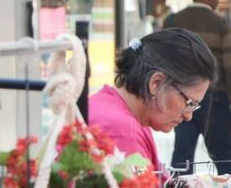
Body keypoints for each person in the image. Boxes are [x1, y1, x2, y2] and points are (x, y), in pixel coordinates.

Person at [89, 28, 217, 170]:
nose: (188, 116)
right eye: (190, 103)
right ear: (156, 83)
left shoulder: (116, 110)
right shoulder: (122, 132)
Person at [165, 0, 231, 175]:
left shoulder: (173, 20)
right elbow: (230, 67)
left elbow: (164, 62)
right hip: (215, 99)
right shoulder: (219, 23)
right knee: (225, 161)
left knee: (182, 156)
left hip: (180, 99)